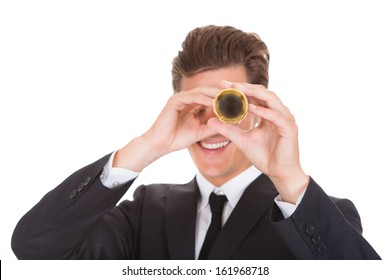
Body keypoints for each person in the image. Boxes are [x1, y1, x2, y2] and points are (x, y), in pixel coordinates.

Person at [11, 25, 380, 260]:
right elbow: (34, 248)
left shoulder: (311, 212)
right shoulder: (145, 212)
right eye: (198, 106)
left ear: (259, 107)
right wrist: (148, 146)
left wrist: (289, 178)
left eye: (230, 106)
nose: (213, 126)